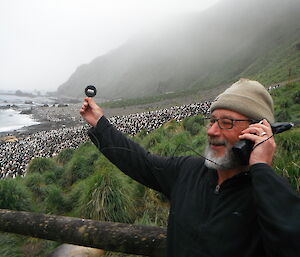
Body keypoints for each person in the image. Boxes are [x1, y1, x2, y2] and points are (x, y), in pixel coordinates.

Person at [80, 78, 300, 257]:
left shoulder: (268, 195)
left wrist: (261, 167)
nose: (212, 131)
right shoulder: (187, 170)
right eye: (212, 120)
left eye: (226, 122)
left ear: (256, 133)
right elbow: (141, 161)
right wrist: (100, 123)